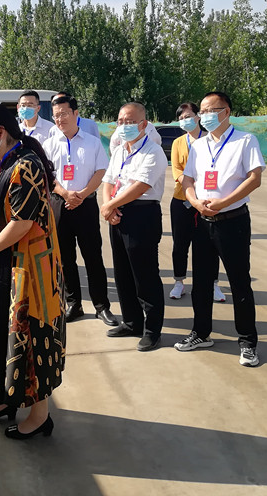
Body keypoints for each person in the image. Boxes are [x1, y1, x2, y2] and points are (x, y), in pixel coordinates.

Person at [0, 103, 65, 440]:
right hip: (3, 263)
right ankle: (2, 399)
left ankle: (40, 416)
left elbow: (22, 222)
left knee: (31, 339)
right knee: (0, 334)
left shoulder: (27, 165)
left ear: (0, 132)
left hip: (29, 270)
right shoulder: (3, 163)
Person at [176, 91, 265, 367]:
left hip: (232, 221)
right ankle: (201, 333)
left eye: (210, 111)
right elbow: (187, 179)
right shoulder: (199, 145)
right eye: (201, 112)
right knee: (201, 282)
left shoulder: (245, 141)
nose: (204, 116)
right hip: (203, 221)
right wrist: (195, 203)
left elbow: (254, 178)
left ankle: (247, 341)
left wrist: (223, 203)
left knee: (239, 282)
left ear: (226, 112)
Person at [43, 93, 118, 326]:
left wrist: (82, 195)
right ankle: (73, 304)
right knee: (65, 258)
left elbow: (101, 171)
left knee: (93, 256)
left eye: (64, 113)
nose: (60, 119)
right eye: (56, 115)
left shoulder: (92, 142)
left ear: (76, 113)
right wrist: (65, 194)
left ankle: (101, 306)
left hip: (86, 205)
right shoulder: (49, 144)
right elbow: (48, 175)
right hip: (59, 204)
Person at [100, 102, 168, 352]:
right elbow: (109, 180)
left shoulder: (153, 151)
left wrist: (110, 206)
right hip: (118, 213)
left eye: (129, 122)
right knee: (123, 273)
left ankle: (153, 330)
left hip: (142, 214)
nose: (124, 126)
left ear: (143, 124)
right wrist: (108, 206)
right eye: (120, 121)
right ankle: (132, 322)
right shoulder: (119, 150)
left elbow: (141, 185)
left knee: (145, 275)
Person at [169, 102, 225, 303]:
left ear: (198, 117)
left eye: (188, 116)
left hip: (206, 201)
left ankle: (213, 283)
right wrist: (190, 187)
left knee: (209, 245)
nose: (184, 121)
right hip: (182, 200)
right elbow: (176, 170)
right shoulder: (178, 143)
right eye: (181, 118)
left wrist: (201, 191)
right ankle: (179, 281)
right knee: (180, 243)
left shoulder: (210, 140)